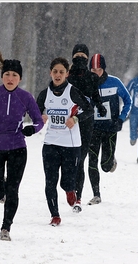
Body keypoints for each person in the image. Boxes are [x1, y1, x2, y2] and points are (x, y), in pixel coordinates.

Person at [0, 52, 44, 241]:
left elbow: (39, 122)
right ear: (2, 76)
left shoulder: (26, 97)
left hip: (17, 147)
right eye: (7, 74)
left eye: (14, 75)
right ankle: (0, 191)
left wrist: (31, 130)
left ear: (20, 78)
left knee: (13, 189)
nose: (10, 78)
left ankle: (6, 227)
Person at [36, 57, 94, 226]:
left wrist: (75, 118)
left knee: (66, 181)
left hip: (71, 145)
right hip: (51, 144)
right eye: (55, 71)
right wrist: (41, 117)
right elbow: (35, 113)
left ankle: (70, 190)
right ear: (50, 73)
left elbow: (89, 110)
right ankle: (55, 215)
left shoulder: (73, 92)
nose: (58, 75)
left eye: (61, 72)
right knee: (50, 181)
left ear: (67, 74)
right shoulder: (44, 94)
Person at [87, 53, 132, 205]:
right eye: (92, 70)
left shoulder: (115, 82)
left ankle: (110, 161)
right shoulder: (86, 84)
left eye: (98, 69)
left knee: (105, 166)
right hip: (92, 129)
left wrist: (121, 119)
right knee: (91, 160)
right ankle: (96, 194)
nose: (95, 72)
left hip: (110, 128)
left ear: (104, 69)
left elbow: (128, 101)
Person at [67, 44, 107, 211]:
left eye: (83, 56)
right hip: (69, 122)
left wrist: (101, 106)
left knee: (80, 160)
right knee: (70, 161)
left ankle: (78, 196)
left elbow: (96, 96)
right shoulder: (67, 77)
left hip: (86, 122)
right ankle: (69, 188)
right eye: (77, 55)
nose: (80, 58)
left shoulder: (92, 78)